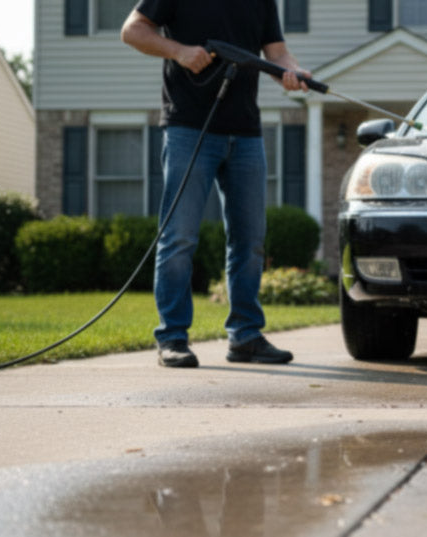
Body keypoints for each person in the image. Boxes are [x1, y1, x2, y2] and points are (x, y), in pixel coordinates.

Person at [120, 0, 309, 368]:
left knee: (250, 240)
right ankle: (172, 338)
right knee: (180, 237)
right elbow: (133, 30)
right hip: (189, 128)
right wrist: (180, 52)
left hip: (246, 132)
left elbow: (277, 53)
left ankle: (246, 337)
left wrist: (293, 72)